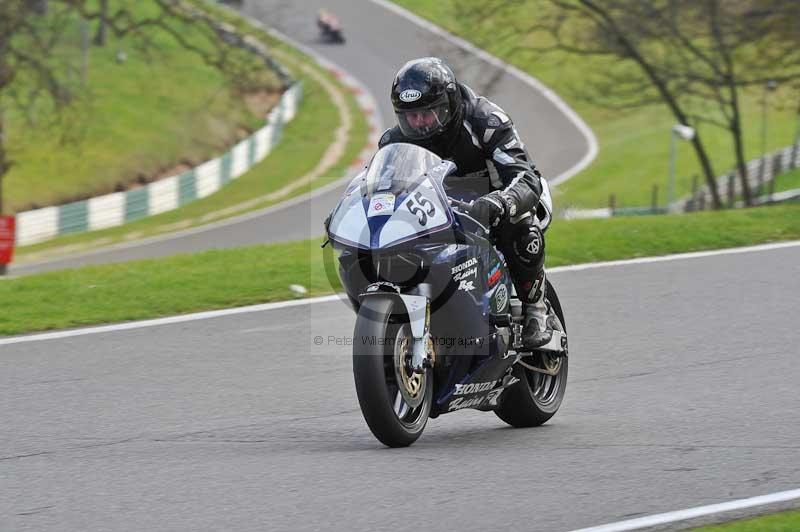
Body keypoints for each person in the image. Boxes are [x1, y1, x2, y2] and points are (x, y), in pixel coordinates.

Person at [379, 57, 555, 348]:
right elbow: (380, 187)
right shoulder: (395, 142)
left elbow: (526, 177)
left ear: (449, 104)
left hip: (494, 202)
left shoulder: (486, 121)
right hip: (439, 211)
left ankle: (536, 309)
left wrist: (501, 201)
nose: (420, 123)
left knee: (521, 230)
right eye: (411, 116)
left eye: (429, 113)